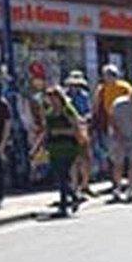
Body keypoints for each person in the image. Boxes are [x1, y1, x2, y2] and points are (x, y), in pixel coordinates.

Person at [32, 87, 82, 217]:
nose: (51, 100)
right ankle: (73, 197)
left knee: (63, 174)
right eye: (49, 98)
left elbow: (76, 129)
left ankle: (64, 205)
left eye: (54, 97)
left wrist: (61, 131)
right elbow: (46, 132)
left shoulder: (67, 111)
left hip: (68, 146)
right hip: (54, 147)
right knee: (59, 176)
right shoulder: (49, 113)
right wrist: (36, 148)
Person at [93, 65, 132, 186]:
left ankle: (127, 176)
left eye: (109, 75)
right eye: (106, 75)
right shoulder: (102, 89)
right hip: (108, 123)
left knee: (127, 150)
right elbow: (96, 106)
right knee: (111, 151)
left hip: (124, 122)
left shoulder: (124, 87)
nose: (107, 78)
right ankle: (115, 179)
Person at [109, 88, 132, 202]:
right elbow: (111, 118)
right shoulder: (119, 104)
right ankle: (117, 188)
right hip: (118, 136)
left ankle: (130, 188)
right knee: (118, 163)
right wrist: (116, 132)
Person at [64, 70, 95, 197]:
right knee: (73, 159)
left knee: (86, 158)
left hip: (82, 128)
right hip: (69, 130)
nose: (74, 86)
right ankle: (74, 186)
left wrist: (85, 119)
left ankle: (85, 185)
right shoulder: (64, 96)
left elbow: (88, 111)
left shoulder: (84, 95)